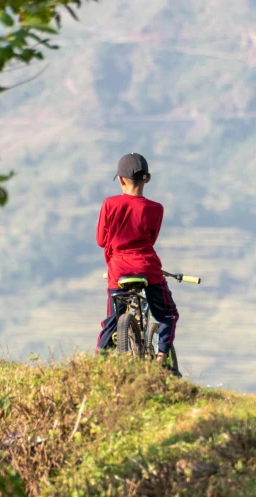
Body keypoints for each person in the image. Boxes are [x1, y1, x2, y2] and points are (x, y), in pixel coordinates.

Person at [95, 152, 181, 375]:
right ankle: (162, 357)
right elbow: (151, 240)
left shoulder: (109, 204)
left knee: (112, 321)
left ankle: (98, 365)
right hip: (147, 269)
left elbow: (100, 241)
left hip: (118, 271)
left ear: (121, 180)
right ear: (147, 179)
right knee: (168, 315)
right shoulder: (156, 209)